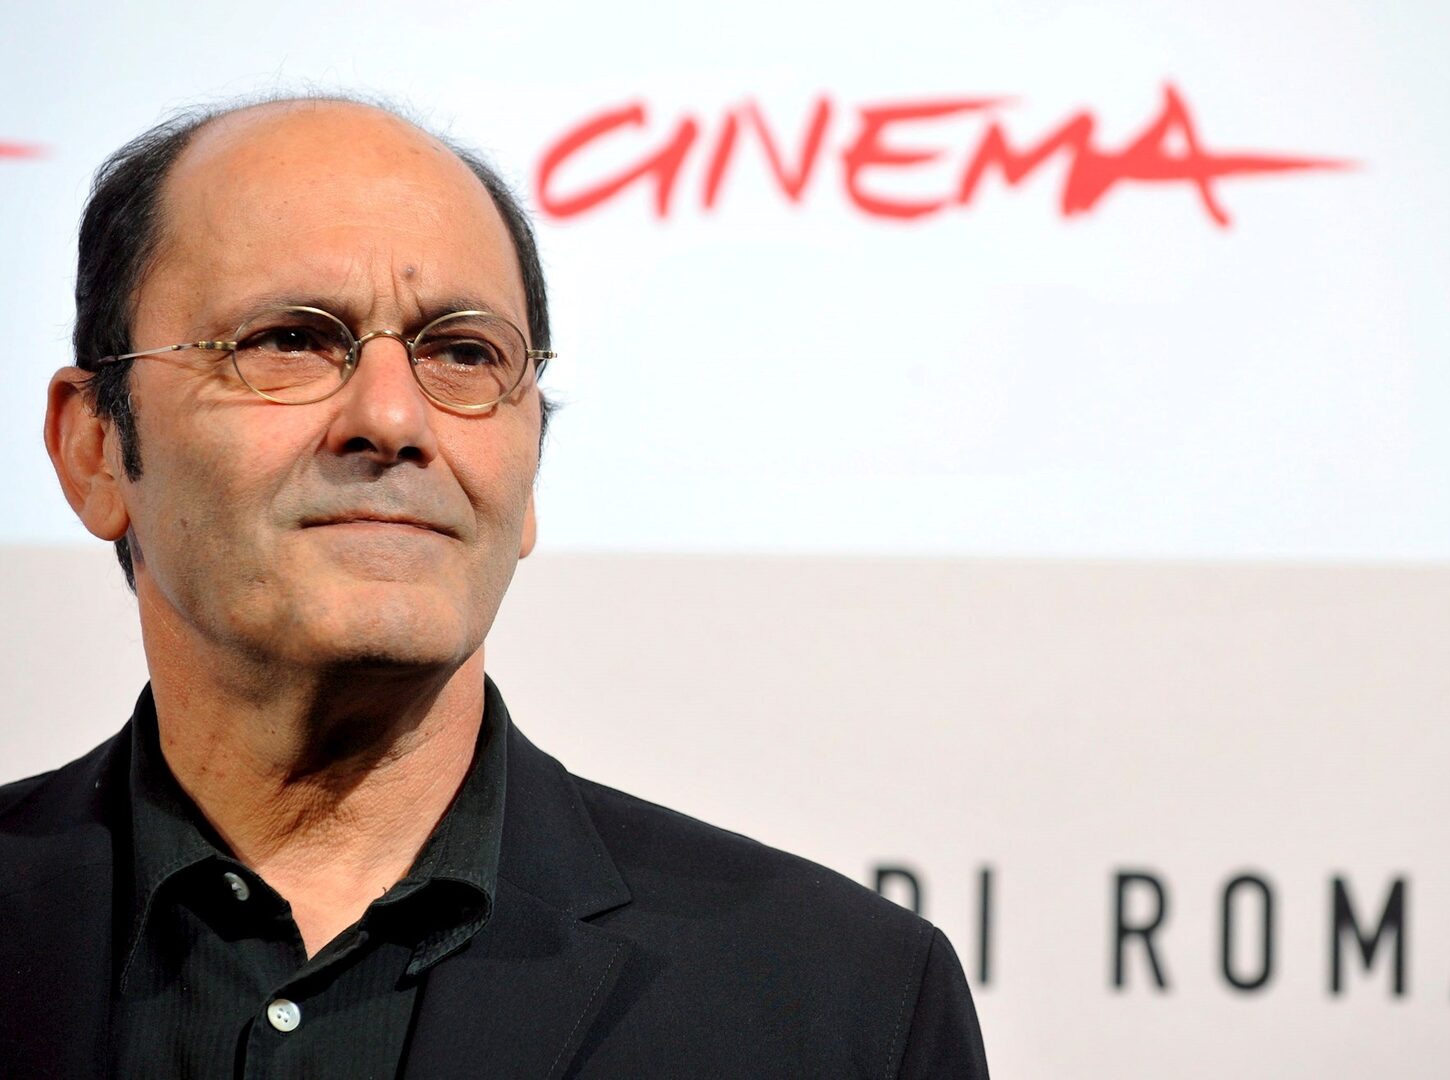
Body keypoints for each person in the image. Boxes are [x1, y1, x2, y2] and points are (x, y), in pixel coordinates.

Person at [0, 96, 989, 1078]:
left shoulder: (841, 1007)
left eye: (463, 354)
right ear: (94, 449)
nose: (393, 419)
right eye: (289, 340)